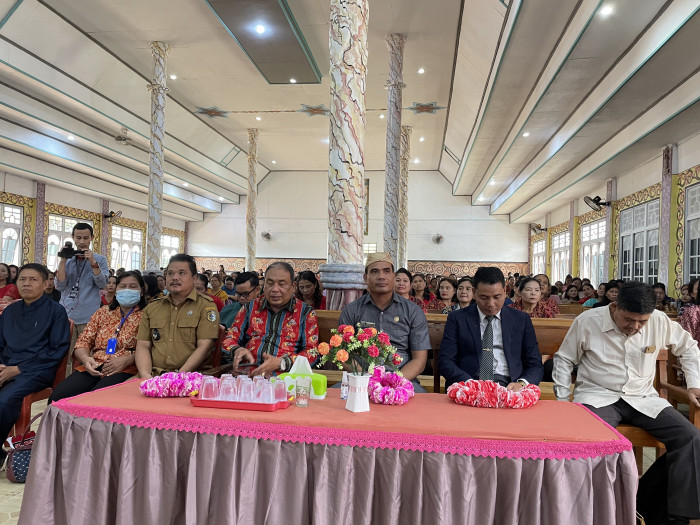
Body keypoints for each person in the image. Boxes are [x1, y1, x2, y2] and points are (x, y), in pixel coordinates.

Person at [553, 281, 700, 525]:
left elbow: (689, 348)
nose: (635, 326)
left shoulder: (659, 320)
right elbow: (564, 360)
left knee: (691, 439)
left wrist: (694, 384)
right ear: (614, 307)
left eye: (642, 322)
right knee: (593, 443)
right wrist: (562, 400)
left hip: (643, 398)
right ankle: (596, 513)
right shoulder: (588, 321)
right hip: (597, 395)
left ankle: (669, 514)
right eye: (629, 320)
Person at [0, 263, 70, 451]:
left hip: (37, 370)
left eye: (33, 279)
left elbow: (57, 350)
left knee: (4, 400)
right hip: (6, 365)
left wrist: (19, 368)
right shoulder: (10, 311)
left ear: (45, 283)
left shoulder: (56, 311)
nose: (26, 283)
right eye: (22, 279)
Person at [438, 266, 543, 390]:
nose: (491, 304)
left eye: (497, 297)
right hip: (469, 383)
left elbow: (535, 364)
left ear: (505, 291)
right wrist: (468, 383)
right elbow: (445, 360)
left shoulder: (521, 320)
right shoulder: (458, 319)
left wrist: (522, 383)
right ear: (474, 292)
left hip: (510, 385)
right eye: (484, 297)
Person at [49, 271, 147, 402]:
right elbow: (83, 341)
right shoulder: (103, 312)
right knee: (58, 396)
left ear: (141, 291)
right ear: (116, 290)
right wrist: (85, 359)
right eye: (123, 286)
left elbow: (151, 348)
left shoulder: (147, 314)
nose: (127, 290)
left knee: (95, 398)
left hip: (126, 368)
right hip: (95, 364)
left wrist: (128, 360)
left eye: (133, 286)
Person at [338, 253, 430, 393]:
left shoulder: (413, 311)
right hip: (361, 380)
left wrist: (394, 381)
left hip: (403, 380)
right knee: (330, 400)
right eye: (375, 272)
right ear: (365, 278)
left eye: (386, 271)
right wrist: (366, 379)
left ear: (393, 276)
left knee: (423, 403)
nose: (381, 276)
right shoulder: (351, 310)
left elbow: (419, 360)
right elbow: (343, 354)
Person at [223, 262, 319, 377]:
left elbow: (312, 352)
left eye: (281, 284)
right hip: (247, 376)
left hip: (284, 378)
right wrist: (236, 349)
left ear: (293, 287)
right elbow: (229, 339)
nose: (275, 289)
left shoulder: (305, 312)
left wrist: (281, 363)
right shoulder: (250, 308)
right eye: (270, 283)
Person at [135, 254, 220, 378]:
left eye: (182, 273)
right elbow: (143, 345)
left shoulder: (206, 307)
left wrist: (177, 377)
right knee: (116, 390)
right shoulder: (152, 307)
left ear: (194, 278)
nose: (175, 277)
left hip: (190, 377)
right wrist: (146, 376)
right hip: (154, 375)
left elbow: (204, 347)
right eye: (170, 273)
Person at [55, 222, 109, 372]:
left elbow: (102, 284)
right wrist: (63, 260)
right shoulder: (67, 258)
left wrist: (93, 262)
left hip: (88, 316)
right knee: (64, 355)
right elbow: (59, 285)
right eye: (78, 238)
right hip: (66, 315)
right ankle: (65, 383)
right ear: (73, 237)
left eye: (86, 238)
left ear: (92, 238)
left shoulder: (100, 259)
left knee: (88, 355)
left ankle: (88, 382)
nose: (82, 241)